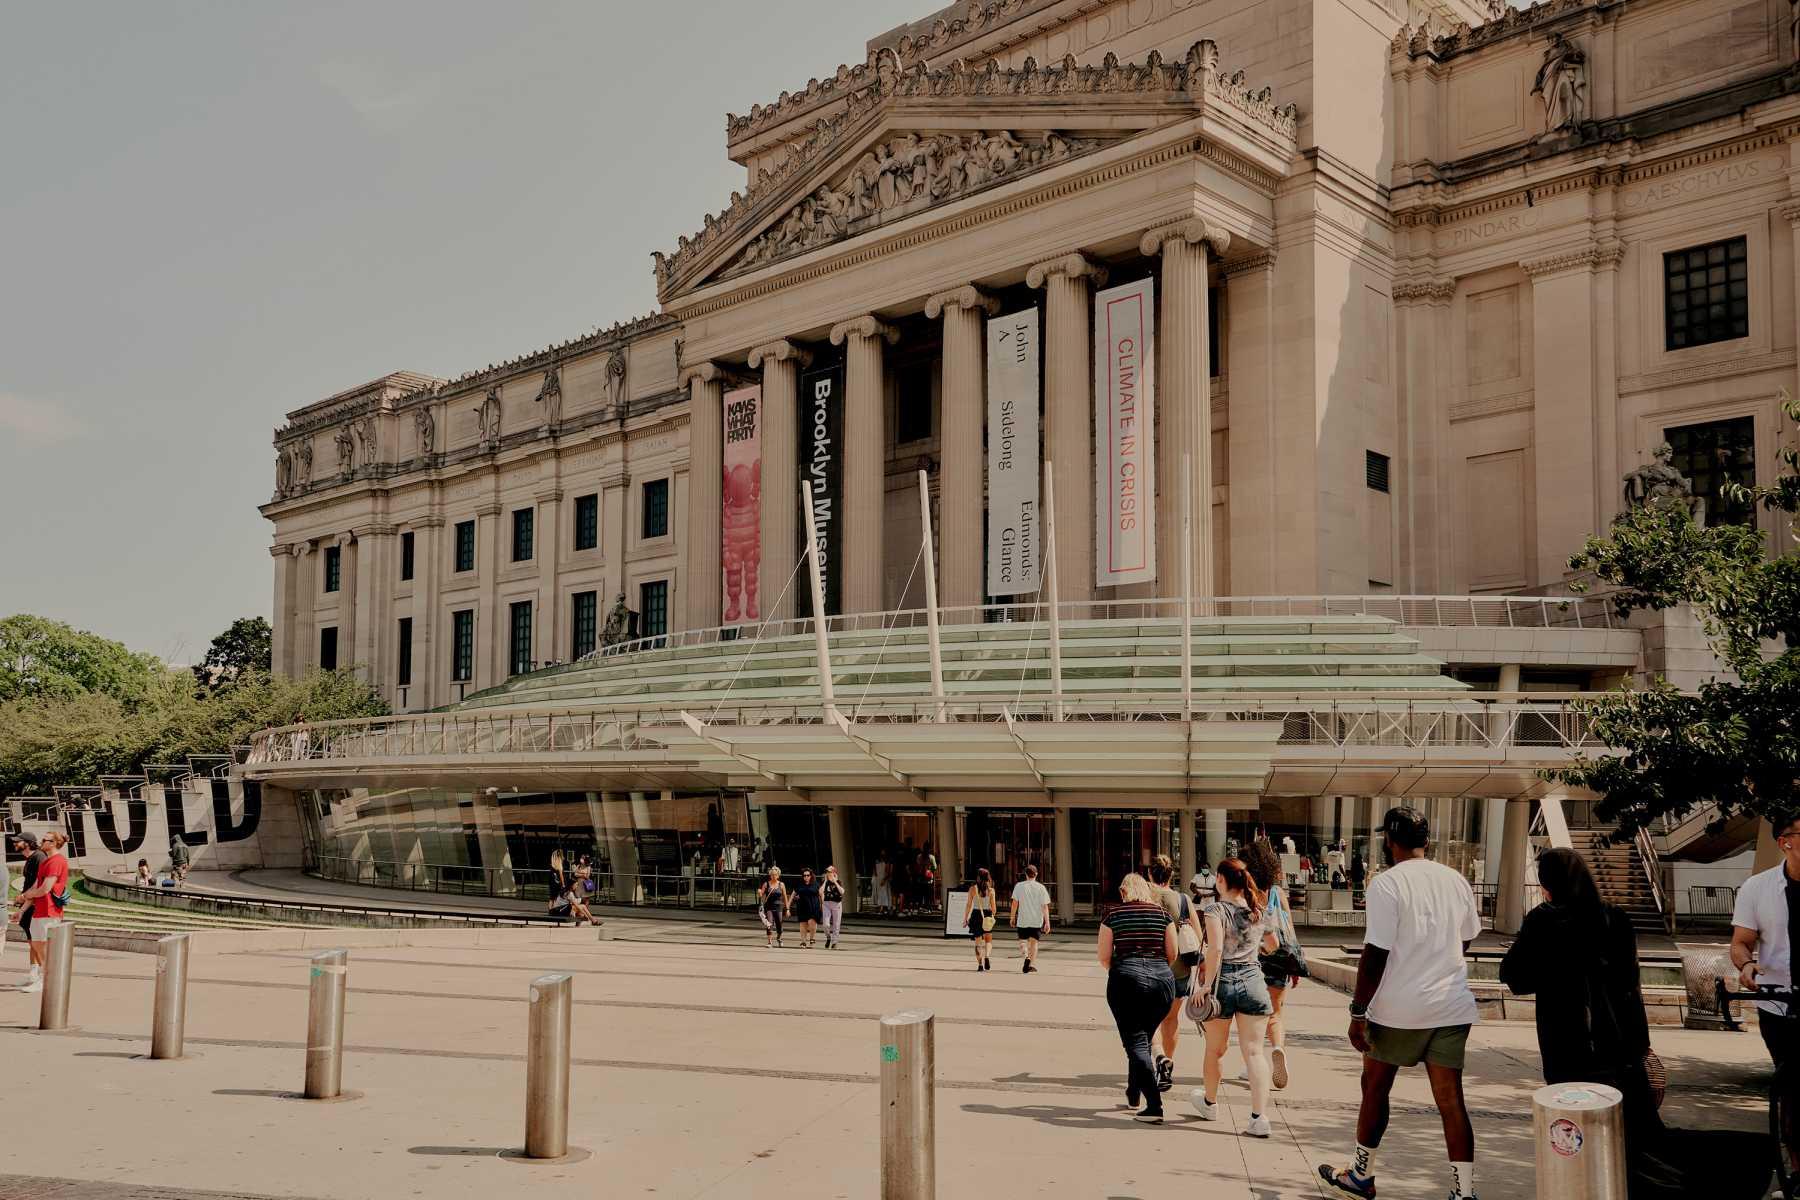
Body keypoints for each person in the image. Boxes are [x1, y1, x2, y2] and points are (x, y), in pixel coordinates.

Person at [1504, 847, 1767, 1200]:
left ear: (1547, 884)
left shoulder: (1543, 920)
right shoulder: (1615, 917)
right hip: (1620, 1044)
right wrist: (1643, 1046)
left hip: (1567, 1042)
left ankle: (1603, 1188)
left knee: (1580, 1126)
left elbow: (1515, 977)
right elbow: (1632, 987)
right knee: (1638, 1131)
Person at [1319, 806, 1480, 1200]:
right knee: (1451, 1102)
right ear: (1427, 840)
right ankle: (1464, 1193)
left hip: (1397, 1010)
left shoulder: (1387, 884)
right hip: (1451, 1006)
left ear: (1390, 842)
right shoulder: (1454, 880)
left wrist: (1358, 1012)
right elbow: (1467, 937)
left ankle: (1361, 1176)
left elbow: (1375, 954)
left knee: (1375, 1088)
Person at [1189, 857, 1279, 1138]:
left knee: (1215, 1050)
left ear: (1221, 880)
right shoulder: (1258, 909)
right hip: (1253, 981)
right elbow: (1273, 945)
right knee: (1254, 1052)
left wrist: (1205, 986)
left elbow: (1214, 950)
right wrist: (1253, 953)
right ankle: (1259, 1117)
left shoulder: (1215, 909)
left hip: (1222, 983)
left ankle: (1210, 1103)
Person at [1098, 872, 1177, 1124]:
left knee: (1135, 1043)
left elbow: (1103, 956)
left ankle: (1154, 1105)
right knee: (1142, 1039)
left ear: (1124, 892)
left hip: (1126, 979)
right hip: (1162, 983)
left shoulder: (1113, 915)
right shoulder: (1163, 916)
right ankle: (1134, 1093)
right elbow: (1172, 953)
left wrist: (1122, 971)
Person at [1244, 837, 1301, 1091]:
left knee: (1254, 1016)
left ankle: (1253, 1064)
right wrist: (1296, 963)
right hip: (1279, 957)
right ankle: (1278, 1048)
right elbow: (1289, 929)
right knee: (1276, 1013)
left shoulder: (1247, 892)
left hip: (1253, 958)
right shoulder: (1277, 893)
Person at [1148, 854, 1202, 1093]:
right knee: (1171, 1020)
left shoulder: (1146, 898)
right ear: (1171, 875)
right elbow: (1199, 937)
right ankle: (1168, 1063)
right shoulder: (1183, 900)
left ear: (1150, 875)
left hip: (1150, 969)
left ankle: (1158, 1061)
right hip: (1179, 970)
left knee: (1149, 1021)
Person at [14, 830, 70, 994]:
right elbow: (35, 886)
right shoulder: (46, 861)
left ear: (53, 843)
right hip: (40, 910)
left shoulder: (57, 861)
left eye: (45, 839)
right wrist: (23, 910)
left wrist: (25, 895)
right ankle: (42, 977)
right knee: (37, 944)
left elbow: (45, 889)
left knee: (44, 946)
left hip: (50, 910)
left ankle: (47, 980)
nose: (41, 841)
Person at [12, 832, 45, 988]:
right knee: (32, 942)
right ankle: (33, 973)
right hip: (29, 905)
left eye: (18, 842)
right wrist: (22, 909)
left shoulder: (39, 857)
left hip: (37, 906)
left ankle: (42, 978)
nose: (15, 844)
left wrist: (23, 898)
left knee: (37, 942)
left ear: (28, 843)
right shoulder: (31, 859)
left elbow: (38, 885)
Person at [1009, 863, 1052, 974]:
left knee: (1023, 941)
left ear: (1026, 874)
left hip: (1023, 920)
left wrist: (1012, 917)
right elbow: (1045, 906)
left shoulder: (1019, 886)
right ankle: (1031, 965)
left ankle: (1026, 957)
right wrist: (1047, 922)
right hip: (1036, 920)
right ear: (1036, 874)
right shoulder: (1041, 888)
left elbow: (1014, 903)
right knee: (1034, 943)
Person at [966, 868, 998, 971]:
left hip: (976, 915)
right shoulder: (991, 891)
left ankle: (980, 964)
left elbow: (968, 905)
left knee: (978, 942)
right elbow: (994, 909)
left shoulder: (972, 889)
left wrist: (965, 918)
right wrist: (992, 912)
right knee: (988, 941)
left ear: (978, 877)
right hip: (987, 915)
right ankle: (987, 956)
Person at [791, 868, 823, 948]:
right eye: (804, 875)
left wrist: (822, 905)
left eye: (808, 875)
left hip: (814, 906)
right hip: (802, 907)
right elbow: (793, 895)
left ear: (811, 876)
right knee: (803, 924)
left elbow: (821, 895)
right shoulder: (799, 884)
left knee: (812, 923)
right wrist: (788, 907)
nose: (806, 877)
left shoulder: (816, 884)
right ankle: (803, 942)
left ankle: (812, 939)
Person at [758, 866, 788, 948]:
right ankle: (769, 942)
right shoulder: (766, 884)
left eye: (775, 874)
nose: (773, 876)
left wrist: (787, 909)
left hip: (779, 907)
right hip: (769, 906)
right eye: (772, 874)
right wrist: (760, 892)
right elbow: (762, 895)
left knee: (779, 924)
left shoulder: (781, 885)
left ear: (778, 875)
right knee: (769, 924)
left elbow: (785, 897)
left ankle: (779, 938)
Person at [820, 865, 846, 949]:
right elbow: (820, 892)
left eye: (830, 872)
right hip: (827, 904)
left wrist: (835, 881)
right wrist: (825, 881)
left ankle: (834, 942)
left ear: (834, 873)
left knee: (836, 924)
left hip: (836, 904)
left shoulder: (838, 881)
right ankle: (828, 937)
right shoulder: (825, 882)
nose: (828, 873)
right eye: (827, 872)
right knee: (825, 925)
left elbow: (842, 892)